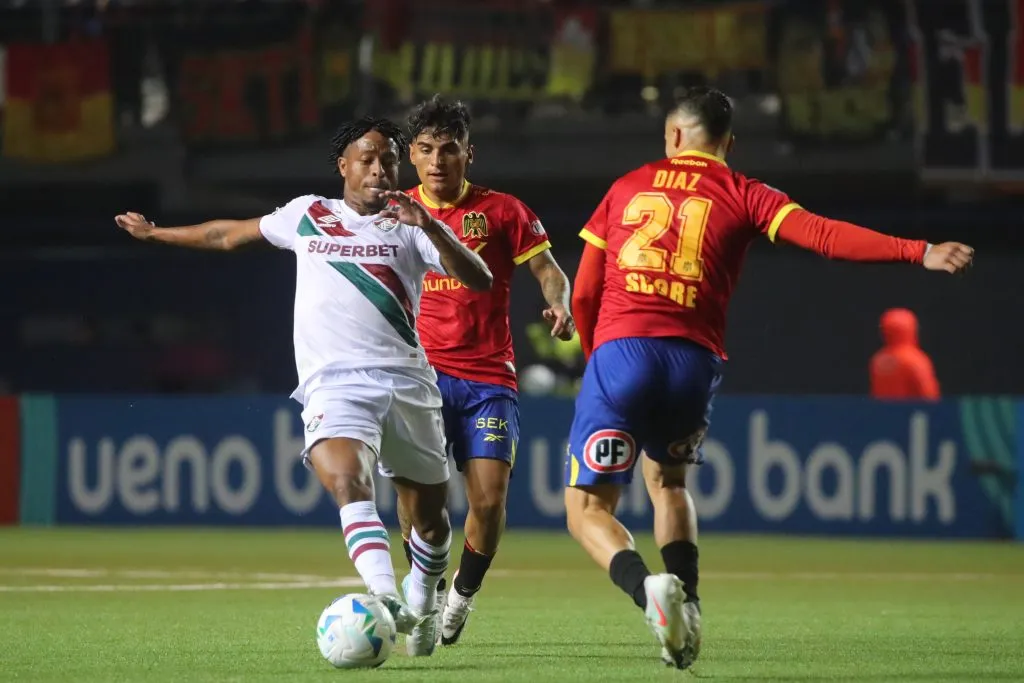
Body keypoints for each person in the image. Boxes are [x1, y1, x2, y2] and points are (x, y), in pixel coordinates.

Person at [566, 86, 974, 670]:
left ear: (674, 135)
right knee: (670, 483)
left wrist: (596, 357)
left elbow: (585, 290)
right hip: (693, 363)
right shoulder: (745, 192)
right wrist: (919, 250)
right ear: (727, 143)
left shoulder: (627, 186)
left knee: (587, 507)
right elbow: (827, 237)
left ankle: (647, 589)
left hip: (623, 352)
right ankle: (691, 606)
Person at [114, 116, 493, 657]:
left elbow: (478, 279)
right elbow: (228, 235)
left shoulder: (412, 223)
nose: (379, 169)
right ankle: (385, 600)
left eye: (387, 160)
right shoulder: (308, 215)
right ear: (343, 166)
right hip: (336, 383)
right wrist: (156, 233)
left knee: (430, 522)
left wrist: (430, 226)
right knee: (346, 481)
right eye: (367, 158)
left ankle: (424, 601)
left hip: (408, 383)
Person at [394, 95, 574, 646]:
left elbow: (548, 271)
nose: (437, 160)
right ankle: (424, 589)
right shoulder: (391, 210)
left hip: (487, 379)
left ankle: (462, 594)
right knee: (413, 505)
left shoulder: (502, 211)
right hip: (418, 377)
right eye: (426, 150)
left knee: (489, 500)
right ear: (411, 155)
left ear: (470, 153)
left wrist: (561, 303)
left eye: (449, 149)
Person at [870, 307, 941, 400]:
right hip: (912, 412)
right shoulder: (914, 359)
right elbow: (929, 393)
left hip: (883, 412)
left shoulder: (878, 359)